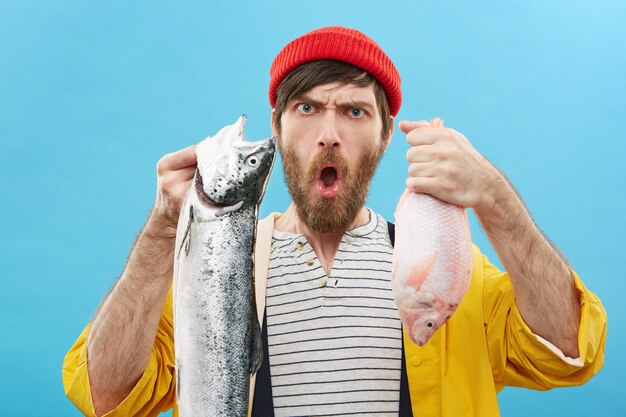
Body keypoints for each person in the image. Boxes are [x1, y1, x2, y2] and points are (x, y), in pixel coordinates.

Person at [62, 26, 607, 417]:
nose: (329, 132)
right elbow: (104, 396)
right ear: (276, 128)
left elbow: (569, 353)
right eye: (306, 107)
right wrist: (162, 234)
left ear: (385, 135)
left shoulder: (445, 274)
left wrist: (495, 200)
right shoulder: (216, 277)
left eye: (354, 110)